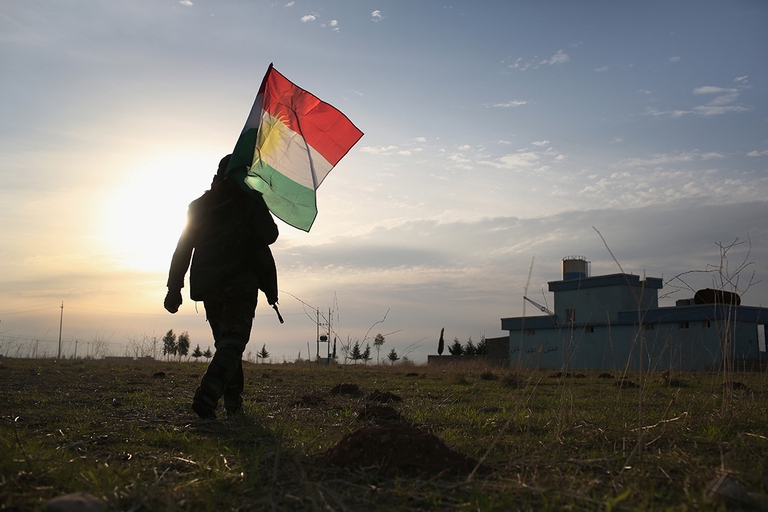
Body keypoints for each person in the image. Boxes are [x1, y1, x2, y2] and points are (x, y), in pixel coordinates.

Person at [164, 154, 279, 419]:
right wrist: (257, 199)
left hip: (209, 285)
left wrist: (174, 288)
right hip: (240, 281)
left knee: (227, 344)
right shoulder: (249, 201)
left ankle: (233, 404)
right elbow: (270, 235)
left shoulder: (199, 206)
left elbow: (182, 249)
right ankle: (208, 394)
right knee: (233, 342)